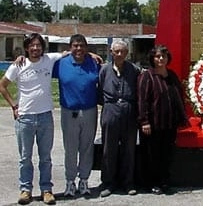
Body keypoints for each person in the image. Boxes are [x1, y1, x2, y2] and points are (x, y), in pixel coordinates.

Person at [0, 33, 61, 205]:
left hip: (45, 117)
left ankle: (46, 190)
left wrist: (92, 55)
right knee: (25, 157)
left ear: (42, 47)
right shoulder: (19, 65)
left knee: (45, 157)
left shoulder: (49, 59)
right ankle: (25, 189)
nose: (36, 48)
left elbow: (69, 52)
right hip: (25, 118)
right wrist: (13, 106)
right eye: (32, 45)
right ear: (27, 48)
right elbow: (2, 85)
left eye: (38, 45)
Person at [52, 34, 101, 197]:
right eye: (75, 45)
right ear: (70, 47)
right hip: (69, 112)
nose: (79, 49)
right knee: (70, 148)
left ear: (87, 47)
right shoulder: (60, 64)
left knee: (87, 148)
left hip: (89, 111)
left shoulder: (94, 63)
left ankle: (84, 181)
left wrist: (94, 56)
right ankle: (70, 181)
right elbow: (40, 65)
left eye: (82, 45)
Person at [137, 45, 189, 195]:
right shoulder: (147, 76)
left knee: (166, 154)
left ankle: (164, 181)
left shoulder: (171, 75)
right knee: (152, 154)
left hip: (169, 123)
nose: (161, 59)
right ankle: (152, 183)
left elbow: (178, 97)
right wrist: (144, 121)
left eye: (163, 56)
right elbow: (142, 100)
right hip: (153, 123)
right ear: (152, 59)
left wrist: (181, 119)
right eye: (157, 56)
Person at [98, 40, 141, 197]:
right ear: (111, 52)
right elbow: (99, 92)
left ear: (127, 53)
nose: (120, 54)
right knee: (109, 148)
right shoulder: (104, 70)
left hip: (129, 111)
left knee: (129, 149)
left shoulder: (134, 70)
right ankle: (109, 183)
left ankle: (128, 183)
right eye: (117, 51)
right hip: (110, 110)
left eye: (123, 51)